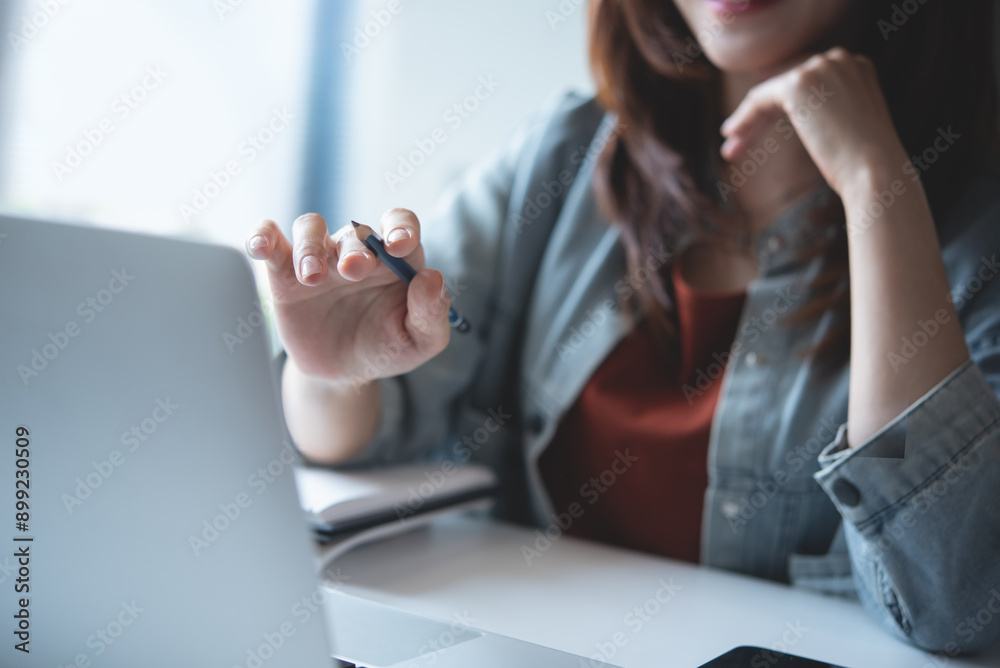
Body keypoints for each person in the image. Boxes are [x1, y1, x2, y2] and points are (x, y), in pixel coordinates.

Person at [246, 0, 1000, 655]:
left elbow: (952, 604)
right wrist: (335, 376)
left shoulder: (972, 237)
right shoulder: (564, 156)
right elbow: (361, 436)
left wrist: (878, 182)